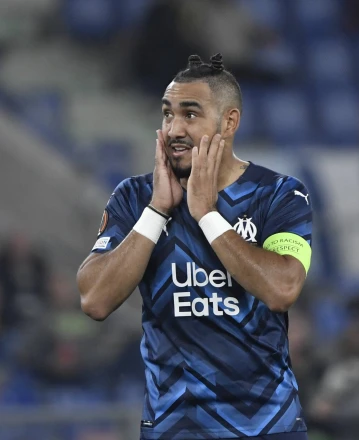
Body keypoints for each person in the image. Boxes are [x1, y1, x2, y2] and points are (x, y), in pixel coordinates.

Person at [77, 53, 313, 440]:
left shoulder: (278, 195)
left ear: (229, 122)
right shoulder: (135, 198)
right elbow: (94, 300)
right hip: (174, 428)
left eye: (190, 114)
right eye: (167, 114)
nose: (173, 129)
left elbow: (282, 289)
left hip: (267, 426)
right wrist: (156, 212)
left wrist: (207, 215)